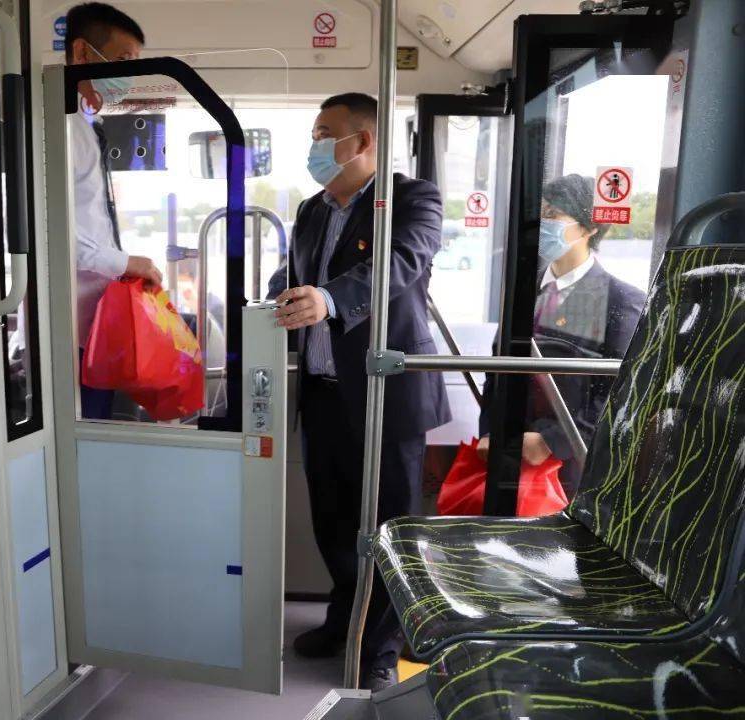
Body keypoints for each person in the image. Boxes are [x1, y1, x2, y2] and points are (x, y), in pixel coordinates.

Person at [269, 93, 451, 691]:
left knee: (389, 526)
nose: (315, 146)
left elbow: (401, 263)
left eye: (324, 133)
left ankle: (382, 646)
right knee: (333, 520)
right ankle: (345, 621)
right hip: (322, 393)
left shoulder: (413, 199)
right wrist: (277, 297)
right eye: (314, 134)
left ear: (363, 142)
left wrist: (328, 299)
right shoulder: (311, 210)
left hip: (386, 394)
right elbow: (296, 273)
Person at [476, 174, 645, 494]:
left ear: (589, 228)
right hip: (508, 456)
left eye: (553, 214)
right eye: (539, 213)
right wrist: (490, 432)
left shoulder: (621, 301)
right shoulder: (523, 289)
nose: (541, 223)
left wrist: (551, 441)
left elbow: (620, 391)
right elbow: (496, 371)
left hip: (572, 467)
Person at [66, 2, 163, 419]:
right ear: (82, 53)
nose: (131, 74)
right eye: (123, 61)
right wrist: (126, 262)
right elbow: (52, 233)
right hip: (70, 327)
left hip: (95, 322)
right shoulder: (60, 128)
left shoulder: (87, 124)